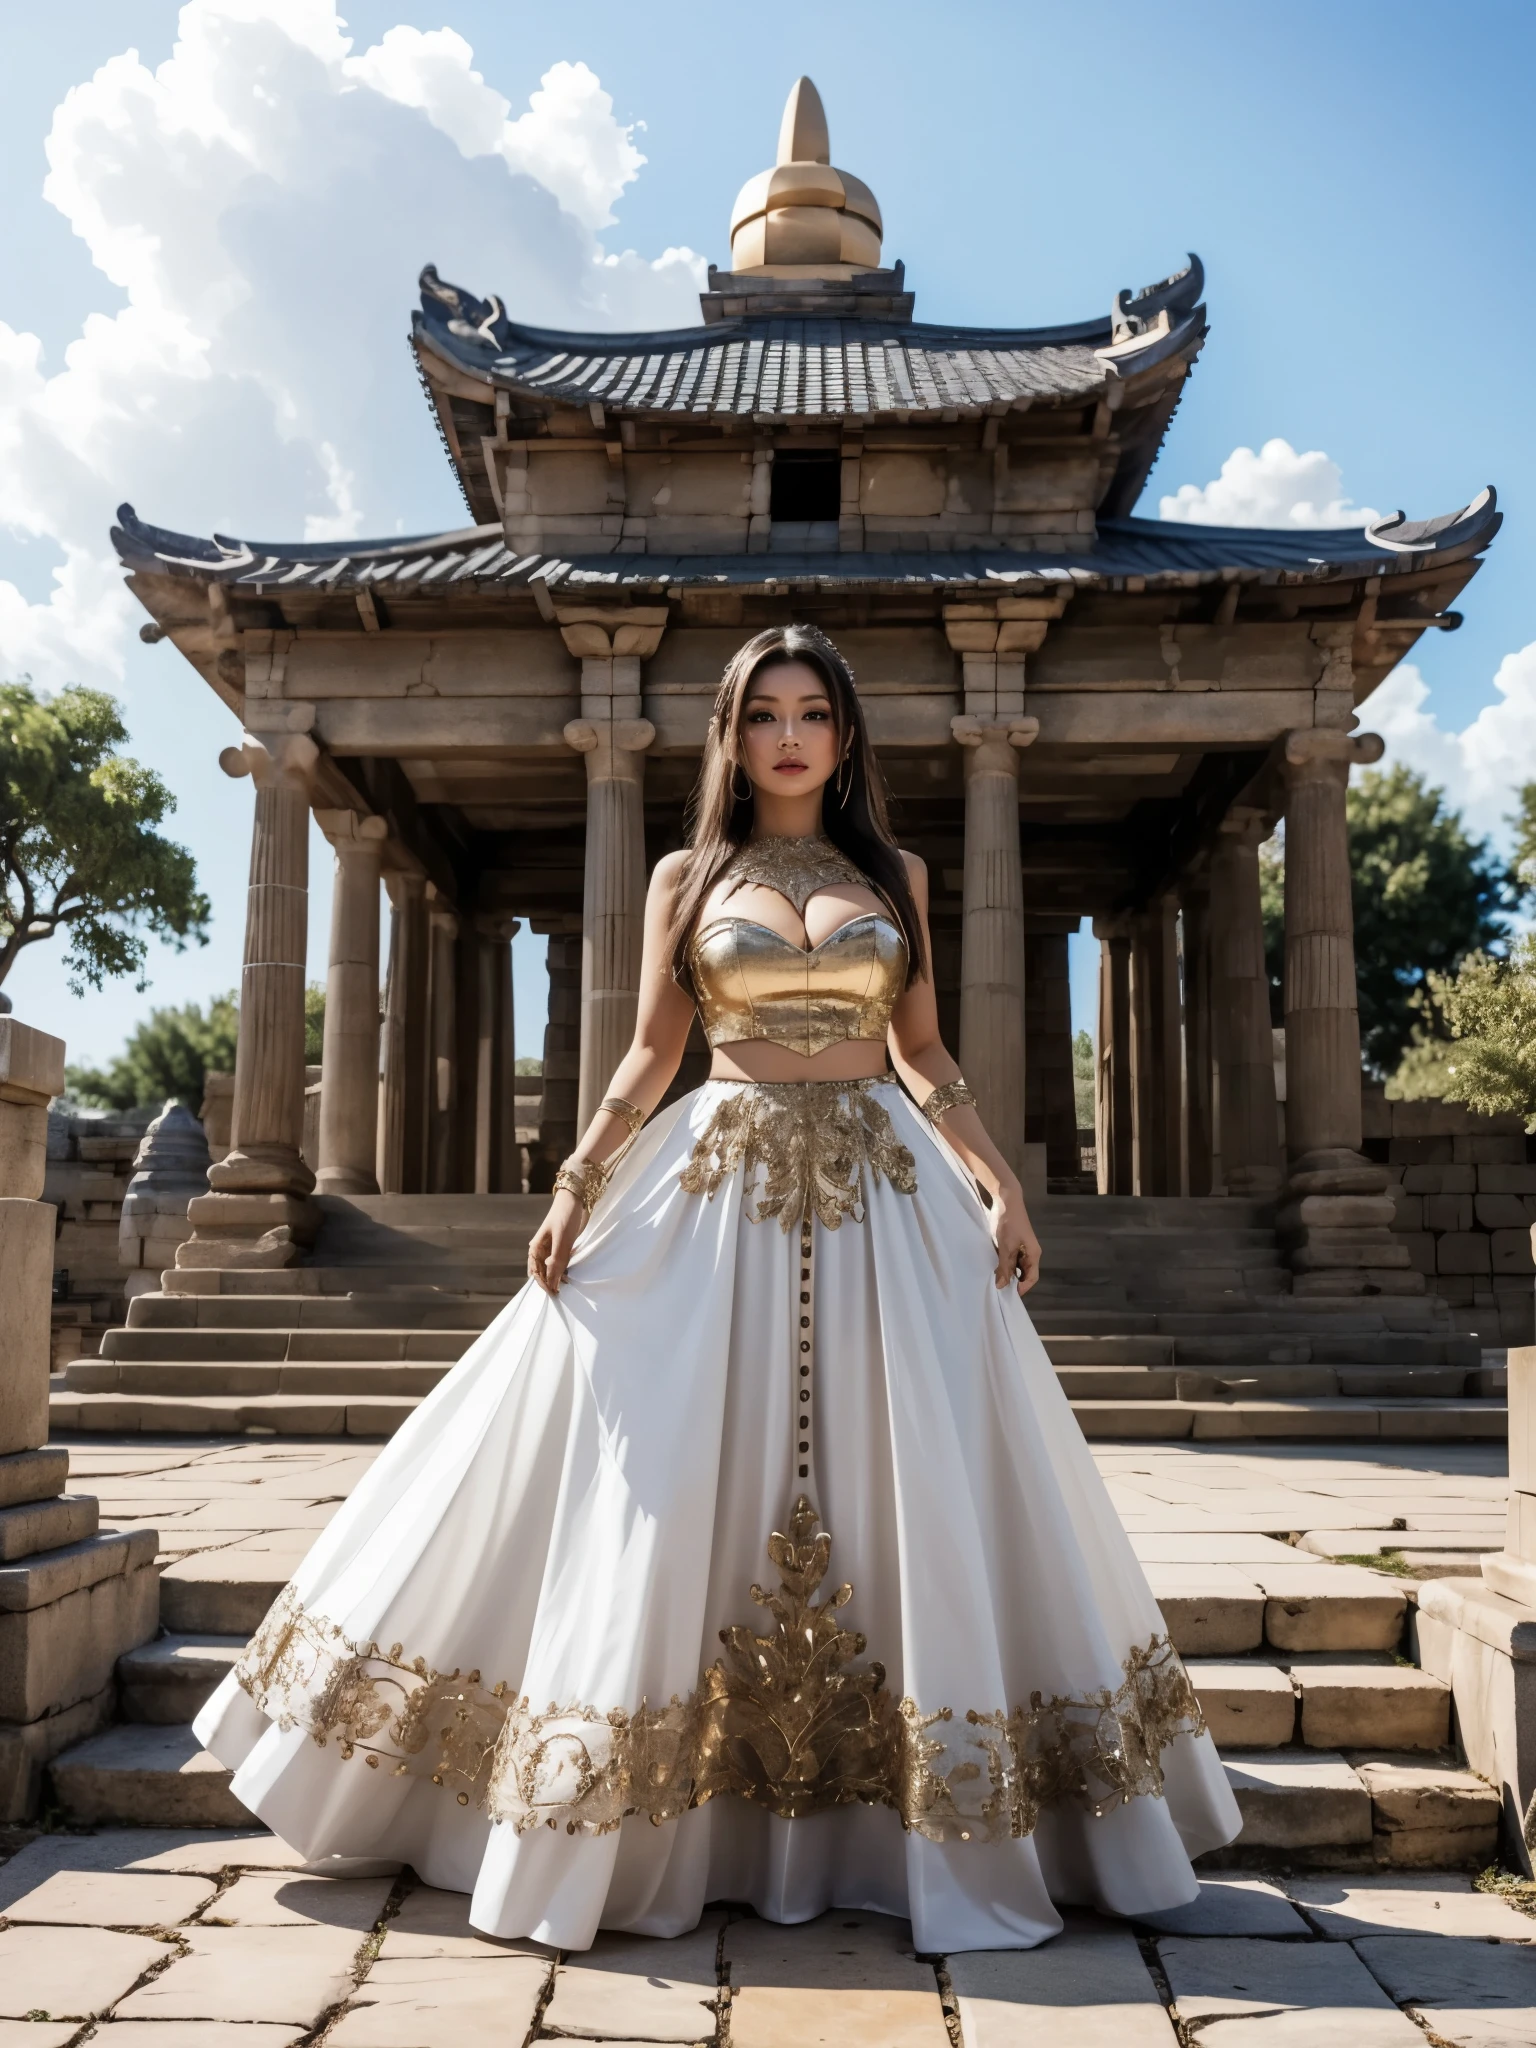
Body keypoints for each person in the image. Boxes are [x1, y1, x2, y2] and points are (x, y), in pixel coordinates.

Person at [195, 623, 1239, 1951]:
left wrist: (999, 1178)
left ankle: (919, 1825)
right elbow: (648, 1052)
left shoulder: (899, 873)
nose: (789, 734)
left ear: (845, 737)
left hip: (887, 1199)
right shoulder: (688, 875)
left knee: (908, 1473)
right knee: (670, 1474)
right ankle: (625, 1819)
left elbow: (920, 1051)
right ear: (732, 738)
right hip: (715, 1183)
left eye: (811, 711)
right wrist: (577, 1179)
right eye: (763, 714)